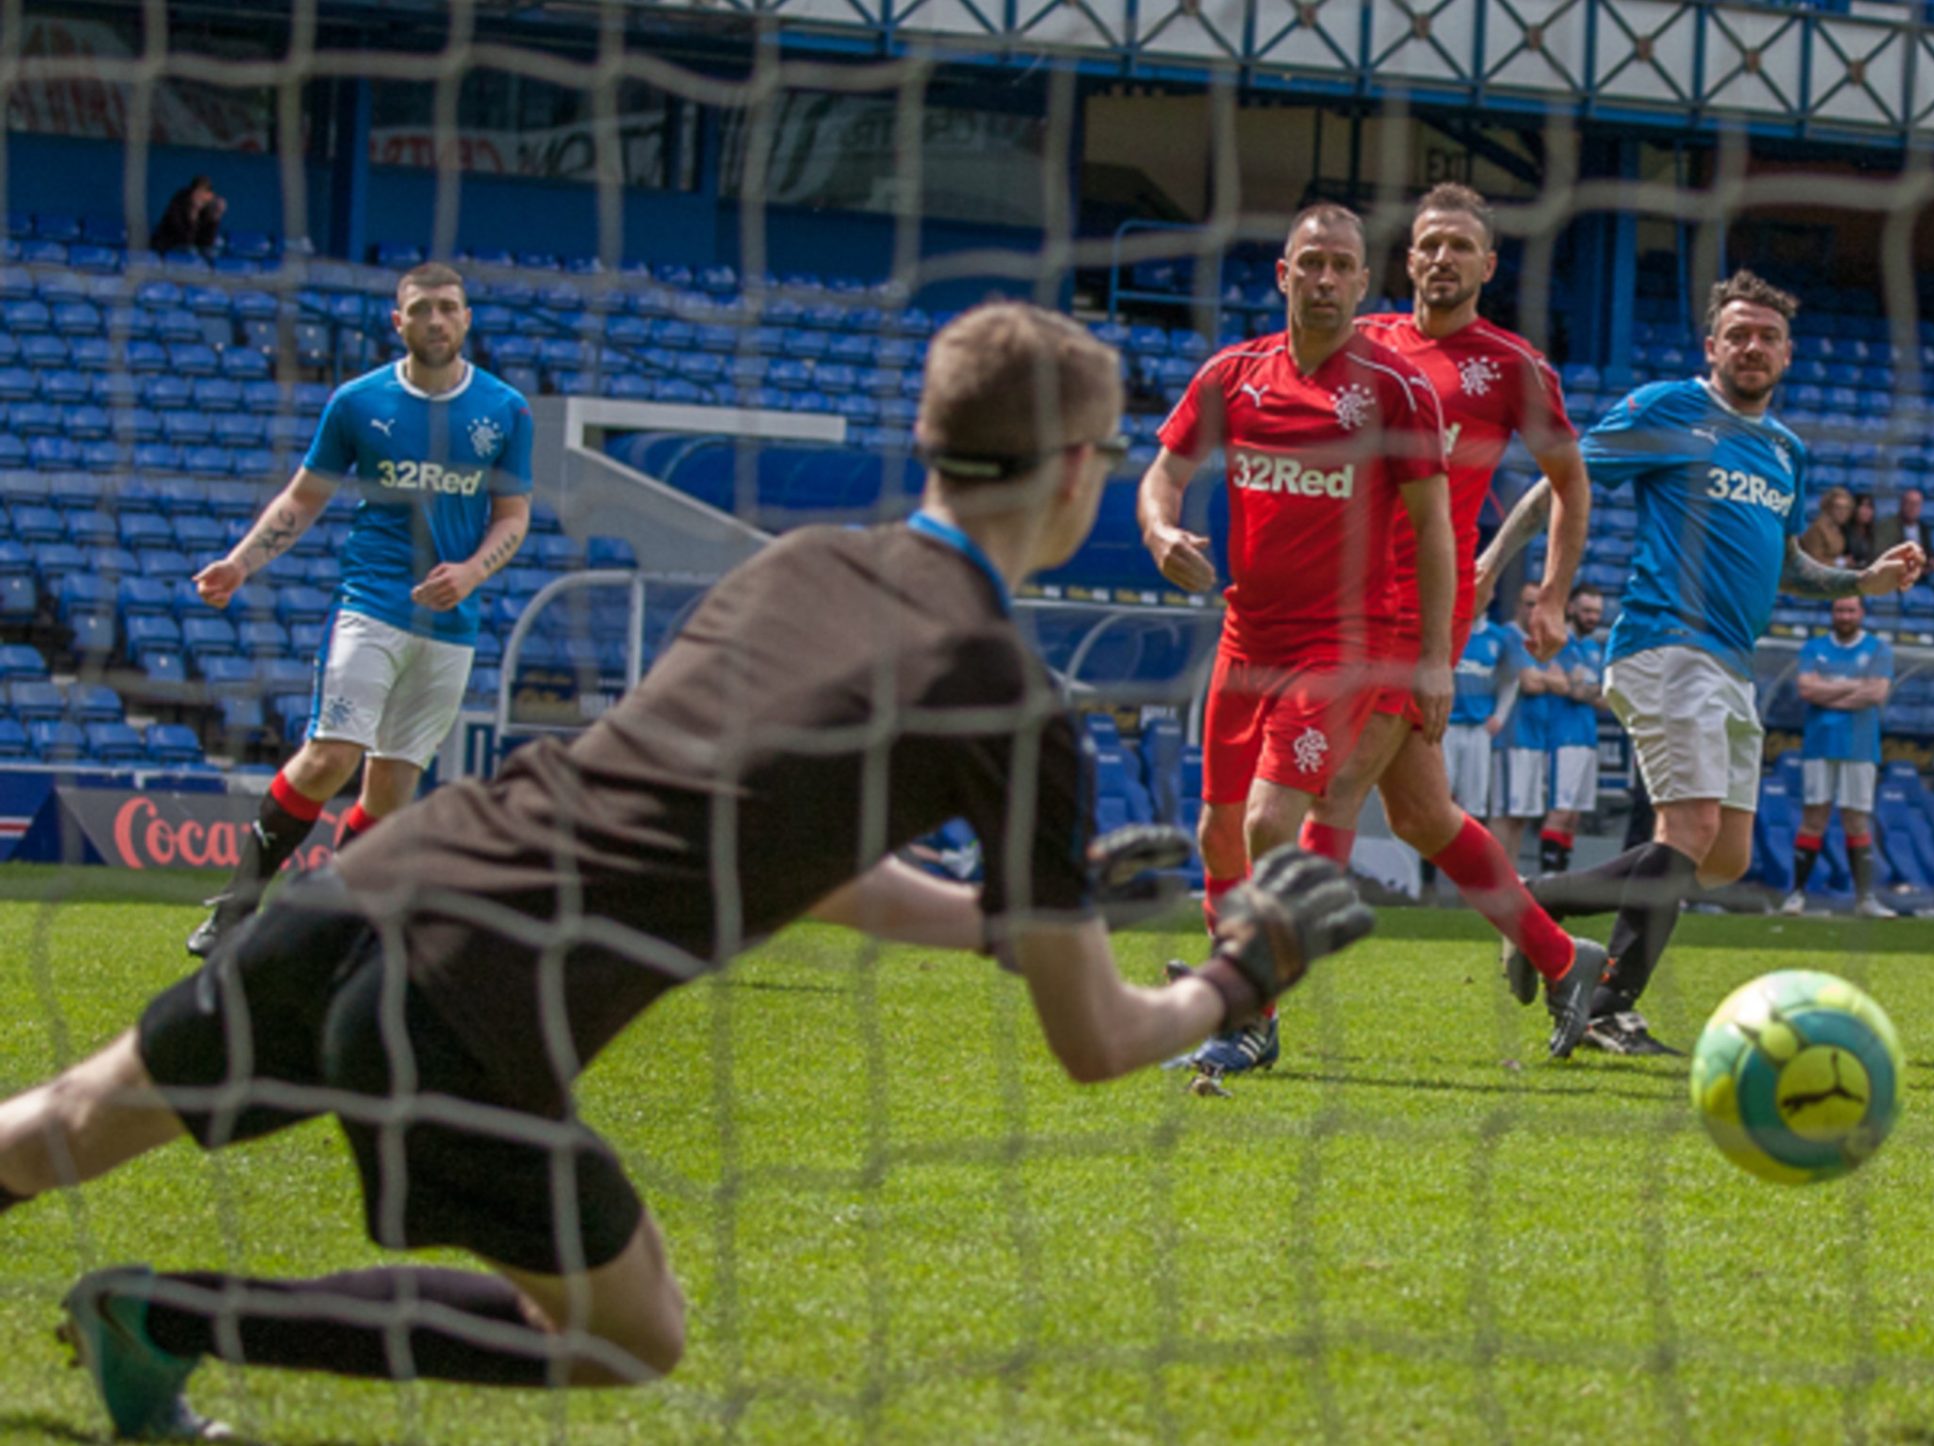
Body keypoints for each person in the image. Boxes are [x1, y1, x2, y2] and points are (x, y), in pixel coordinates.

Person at [0, 304, 1375, 1438]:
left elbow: (777, 853)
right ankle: (160, 1319)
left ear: (930, 441)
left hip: (386, 878)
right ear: (1079, 471)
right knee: (627, 1334)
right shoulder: (1005, 689)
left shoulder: (801, 563)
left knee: (68, 1116)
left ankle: (143, 1330)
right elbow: (1095, 1041)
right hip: (471, 1002)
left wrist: (984, 923)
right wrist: (1239, 975)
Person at [1483, 270, 1926, 1057]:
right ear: (1712, 345)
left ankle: (1535, 907)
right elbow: (1564, 478)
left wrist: (1863, 581)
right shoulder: (1668, 409)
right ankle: (1606, 1004)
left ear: (1787, 354)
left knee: (1722, 859)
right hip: (1665, 642)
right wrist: (1493, 566)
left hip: (1730, 662)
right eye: (1739, 334)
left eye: (1768, 337)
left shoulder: (1786, 450)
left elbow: (1786, 563)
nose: (1753, 347)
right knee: (1687, 828)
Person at [1139, 202, 1462, 1077]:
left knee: (1268, 821)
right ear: (1284, 275)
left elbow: (1434, 530)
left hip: (1343, 648)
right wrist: (1160, 531)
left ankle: (1247, 1008)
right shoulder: (1233, 374)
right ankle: (1241, 999)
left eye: (1342, 266)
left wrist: (1434, 659)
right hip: (1246, 637)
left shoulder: (1395, 389)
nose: (1325, 279)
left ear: (1363, 282)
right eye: (1311, 262)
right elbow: (1163, 472)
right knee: (1217, 834)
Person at [1294, 184, 1608, 1056]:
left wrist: (1552, 593)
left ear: (1488, 265)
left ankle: (1251, 998)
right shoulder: (1365, 340)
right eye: (1429, 244)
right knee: (1424, 817)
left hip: (1421, 613)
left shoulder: (1511, 366)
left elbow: (1570, 483)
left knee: (1333, 786)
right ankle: (1562, 957)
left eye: (1460, 246)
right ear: (1408, 259)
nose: (1442, 258)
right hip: (1340, 606)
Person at [186, 262, 534, 959]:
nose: (436, 320)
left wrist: (472, 572)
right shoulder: (356, 402)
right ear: (397, 322)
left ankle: (321, 928)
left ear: (466, 320)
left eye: (448, 308)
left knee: (391, 790)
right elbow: (303, 497)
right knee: (330, 757)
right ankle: (235, 909)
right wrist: (241, 562)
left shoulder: (505, 410)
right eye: (421, 309)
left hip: (451, 625)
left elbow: (514, 515)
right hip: (372, 604)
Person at [1781, 595, 1895, 919]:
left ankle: (1864, 898)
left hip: (1860, 747)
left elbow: (1877, 693)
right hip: (1819, 744)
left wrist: (1828, 691)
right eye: (1839, 610)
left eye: (1850, 610)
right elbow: (1806, 690)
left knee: (1856, 820)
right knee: (1814, 817)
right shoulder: (1813, 647)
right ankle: (1796, 894)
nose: (1844, 616)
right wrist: (1855, 687)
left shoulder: (1878, 649)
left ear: (1861, 613)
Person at [1535, 585, 1608, 876]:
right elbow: (1574, 691)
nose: (1593, 618)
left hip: (1587, 736)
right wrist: (1587, 690)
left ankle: (1560, 879)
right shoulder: (1560, 643)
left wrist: (1584, 689)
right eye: (1587, 611)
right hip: (1563, 736)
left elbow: (1604, 699)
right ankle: (1546, 880)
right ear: (1571, 608)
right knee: (1560, 810)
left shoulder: (1592, 649)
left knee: (1574, 816)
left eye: (1597, 612)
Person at [1443, 595, 1525, 836]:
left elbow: (1511, 680)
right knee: (1440, 798)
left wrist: (1500, 715)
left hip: (1479, 728)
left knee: (1474, 803)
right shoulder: (1448, 631)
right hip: (1446, 727)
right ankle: (1430, 862)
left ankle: (1464, 858)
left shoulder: (1499, 637)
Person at [1493, 581, 1559, 868]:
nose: (1533, 610)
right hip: (1512, 738)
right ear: (1518, 605)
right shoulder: (1509, 636)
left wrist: (1546, 680)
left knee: (1520, 816)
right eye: (1529, 604)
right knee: (1504, 813)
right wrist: (1549, 680)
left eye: (1538, 604)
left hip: (1535, 739)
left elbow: (1562, 683)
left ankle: (1510, 876)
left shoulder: (1540, 641)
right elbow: (1530, 683)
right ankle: (1495, 879)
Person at [1874, 487, 1934, 584]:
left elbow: (1929, 553)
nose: (1913, 508)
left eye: (1916, 504)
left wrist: (1932, 562)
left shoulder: (1924, 529)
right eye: (1910, 503)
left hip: (1920, 578)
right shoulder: (1888, 526)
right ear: (1902, 504)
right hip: (1894, 578)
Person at [150, 174, 225, 258]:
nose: (202, 197)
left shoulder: (206, 209)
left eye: (205, 192)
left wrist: (215, 217)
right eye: (199, 192)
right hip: (169, 245)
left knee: (217, 245)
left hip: (193, 247)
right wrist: (193, 214)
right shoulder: (179, 204)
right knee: (190, 250)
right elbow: (183, 238)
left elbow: (206, 242)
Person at [1800, 485, 1855, 567]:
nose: (1842, 512)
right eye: (1838, 507)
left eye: (1846, 508)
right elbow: (1814, 563)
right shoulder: (1817, 529)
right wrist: (1841, 562)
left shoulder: (1839, 528)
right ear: (1828, 508)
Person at [1844, 493, 1878, 568]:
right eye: (1863, 506)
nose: (1866, 511)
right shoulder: (1845, 531)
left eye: (1870, 507)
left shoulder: (1874, 532)